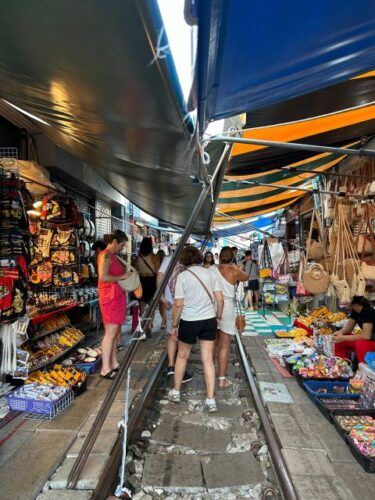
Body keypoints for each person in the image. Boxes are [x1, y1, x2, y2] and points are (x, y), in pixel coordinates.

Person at [167, 246, 224, 412]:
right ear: (199, 257)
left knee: (182, 356)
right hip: (208, 320)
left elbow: (178, 304)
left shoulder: (182, 277)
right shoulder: (211, 273)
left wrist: (174, 325)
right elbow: (220, 299)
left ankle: (176, 391)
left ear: (183, 259)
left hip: (189, 321)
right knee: (207, 360)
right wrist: (218, 316)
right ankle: (211, 399)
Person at [211, 247, 249, 388]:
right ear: (232, 257)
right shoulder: (234, 271)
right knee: (224, 346)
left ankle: (211, 371)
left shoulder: (212, 270)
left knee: (212, 344)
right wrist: (237, 267)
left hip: (212, 307)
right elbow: (246, 277)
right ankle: (221, 379)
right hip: (227, 309)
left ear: (220, 256)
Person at [98, 230, 129, 379]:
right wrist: (122, 276)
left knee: (115, 332)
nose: (122, 248)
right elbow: (103, 276)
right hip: (110, 298)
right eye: (122, 245)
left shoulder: (113, 256)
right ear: (115, 242)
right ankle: (105, 368)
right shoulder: (105, 255)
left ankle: (114, 362)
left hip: (116, 297)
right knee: (110, 333)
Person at [157, 253, 192, 383]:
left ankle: (171, 365)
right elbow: (160, 276)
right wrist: (161, 297)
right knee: (183, 336)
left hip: (171, 301)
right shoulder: (186, 260)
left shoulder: (168, 259)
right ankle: (179, 367)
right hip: (182, 303)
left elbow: (160, 276)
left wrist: (161, 296)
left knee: (172, 333)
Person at [333, 296, 375, 363]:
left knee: (360, 344)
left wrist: (343, 337)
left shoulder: (368, 311)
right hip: (368, 340)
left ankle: (363, 369)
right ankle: (342, 364)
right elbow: (348, 328)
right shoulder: (355, 311)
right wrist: (339, 333)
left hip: (372, 341)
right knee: (339, 340)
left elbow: (366, 336)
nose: (343, 302)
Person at [135, 237, 160, 329]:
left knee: (142, 306)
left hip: (141, 281)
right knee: (152, 306)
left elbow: (136, 271)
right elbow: (158, 271)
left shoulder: (138, 258)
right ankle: (149, 324)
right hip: (152, 281)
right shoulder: (154, 257)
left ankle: (143, 325)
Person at [156, 249, 167, 328]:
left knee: (161, 304)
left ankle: (163, 320)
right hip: (164, 285)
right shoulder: (165, 263)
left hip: (160, 284)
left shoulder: (157, 263)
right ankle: (164, 320)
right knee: (162, 304)